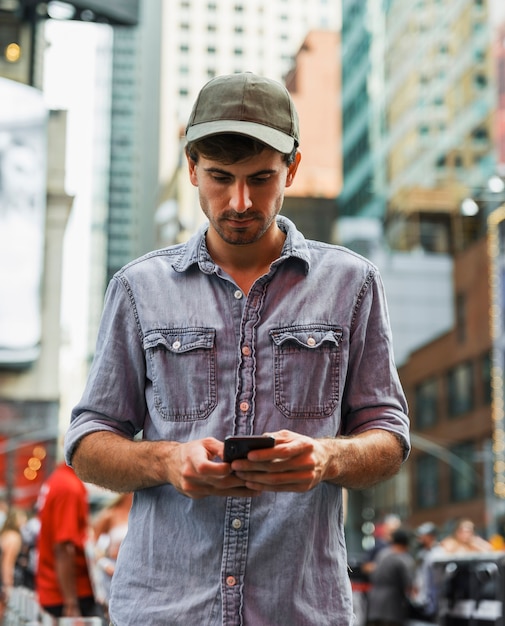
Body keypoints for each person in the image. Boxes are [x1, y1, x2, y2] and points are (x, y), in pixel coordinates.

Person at [64, 71, 410, 625]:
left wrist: (327, 456)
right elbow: (86, 442)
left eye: (262, 178)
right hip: (164, 609)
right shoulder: (138, 289)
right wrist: (167, 459)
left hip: (299, 610)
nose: (240, 201)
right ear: (193, 168)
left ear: (292, 168)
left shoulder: (353, 284)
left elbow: (389, 438)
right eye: (221, 178)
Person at [35, 462, 102, 619]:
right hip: (69, 593)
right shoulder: (68, 486)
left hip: (58, 589)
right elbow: (64, 546)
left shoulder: (58, 480)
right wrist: (71, 603)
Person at [92, 492, 133, 618]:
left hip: (133, 570)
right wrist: (105, 564)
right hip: (113, 570)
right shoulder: (110, 515)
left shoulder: (139, 513)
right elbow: (94, 545)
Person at [365, 527, 415, 626]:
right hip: (392, 606)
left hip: (374, 601)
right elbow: (408, 584)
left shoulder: (382, 553)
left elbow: (372, 573)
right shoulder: (403, 558)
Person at [409, 522, 441, 622]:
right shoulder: (421, 553)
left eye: (422, 536)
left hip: (434, 599)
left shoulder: (438, 553)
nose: (420, 539)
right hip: (420, 598)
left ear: (431, 536)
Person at [0, 506, 26, 620]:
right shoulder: (14, 537)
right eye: (22, 518)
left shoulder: (5, 534)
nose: (24, 521)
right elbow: (7, 563)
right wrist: (7, 585)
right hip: (5, 581)